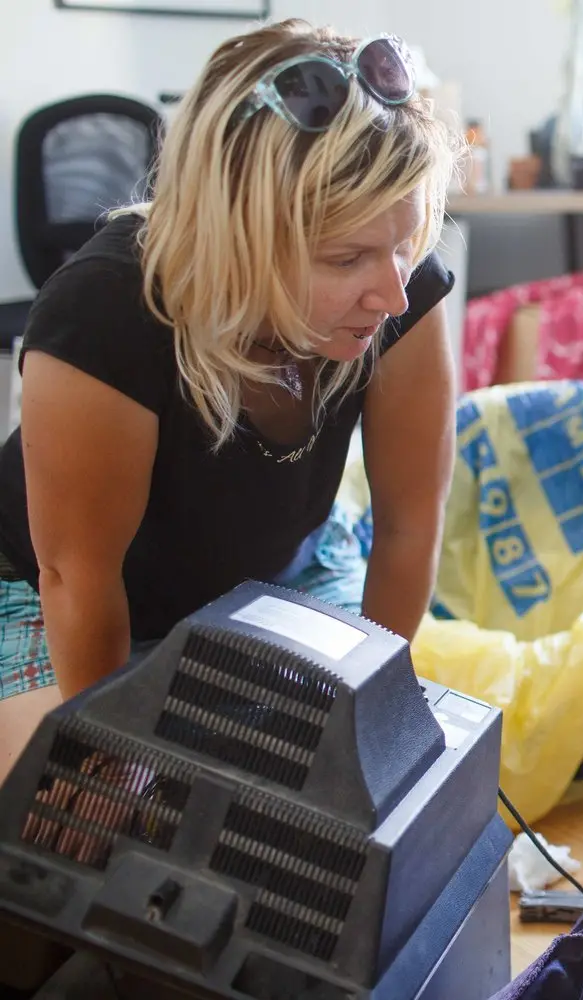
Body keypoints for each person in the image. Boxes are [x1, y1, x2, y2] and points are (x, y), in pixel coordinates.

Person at [0, 20, 461, 777]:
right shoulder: (103, 313)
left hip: (279, 573)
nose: (392, 291)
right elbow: (77, 578)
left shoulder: (403, 295)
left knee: (371, 782)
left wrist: (367, 729)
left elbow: (410, 527)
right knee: (90, 826)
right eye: (347, 257)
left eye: (404, 243)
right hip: (51, 595)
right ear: (237, 233)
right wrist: (106, 760)